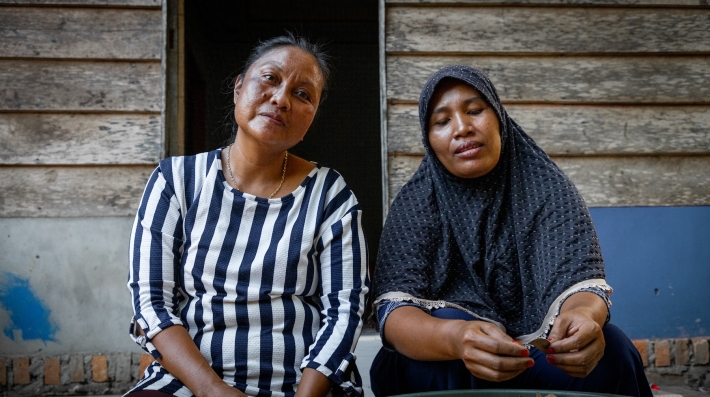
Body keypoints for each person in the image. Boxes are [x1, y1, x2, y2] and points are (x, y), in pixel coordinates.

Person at [370, 65, 652, 397]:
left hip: (537, 357)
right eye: (442, 121)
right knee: (423, 344)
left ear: (499, 119)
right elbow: (394, 313)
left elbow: (581, 282)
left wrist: (583, 318)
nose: (462, 127)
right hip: (452, 360)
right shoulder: (417, 201)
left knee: (614, 349)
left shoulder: (548, 189)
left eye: (475, 110)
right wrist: (456, 338)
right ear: (429, 140)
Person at [126, 34, 369, 397]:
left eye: (302, 94)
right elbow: (151, 304)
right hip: (190, 383)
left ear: (311, 118)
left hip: (303, 386)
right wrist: (213, 391)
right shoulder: (176, 181)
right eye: (270, 78)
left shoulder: (329, 194)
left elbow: (345, 312)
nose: (281, 99)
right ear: (239, 88)